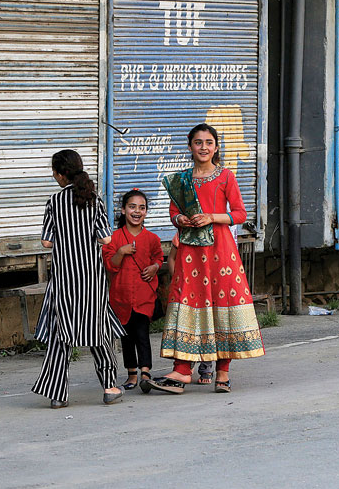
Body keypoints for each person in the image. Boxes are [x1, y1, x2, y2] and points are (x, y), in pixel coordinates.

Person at [143, 124, 264, 395]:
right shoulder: (182, 179)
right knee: (187, 301)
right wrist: (181, 219)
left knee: (224, 304)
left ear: (216, 147)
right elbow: (174, 211)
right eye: (198, 142)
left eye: (209, 142)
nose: (204, 147)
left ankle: (223, 372)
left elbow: (240, 214)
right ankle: (182, 370)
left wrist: (211, 217)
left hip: (221, 252)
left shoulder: (226, 177)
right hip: (190, 251)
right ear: (190, 146)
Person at [31, 149, 125, 409]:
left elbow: (46, 241)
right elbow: (106, 239)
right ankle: (109, 387)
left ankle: (58, 395)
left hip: (64, 280)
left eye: (54, 172)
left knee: (61, 335)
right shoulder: (94, 199)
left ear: (61, 174)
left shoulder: (54, 201)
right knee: (99, 331)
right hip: (92, 280)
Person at [102, 189, 163, 390]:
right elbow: (110, 265)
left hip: (144, 297)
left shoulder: (152, 238)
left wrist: (154, 267)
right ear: (123, 210)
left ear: (146, 212)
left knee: (142, 335)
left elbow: (158, 258)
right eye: (132, 207)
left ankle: (145, 372)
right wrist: (121, 251)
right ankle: (131, 375)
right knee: (126, 338)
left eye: (142, 208)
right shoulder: (114, 239)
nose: (137, 211)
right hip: (121, 299)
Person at [167, 232, 213, 386]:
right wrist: (178, 281)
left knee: (207, 326)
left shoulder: (211, 234)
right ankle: (185, 365)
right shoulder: (181, 235)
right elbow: (171, 259)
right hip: (187, 288)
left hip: (207, 288)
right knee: (187, 327)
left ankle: (206, 367)